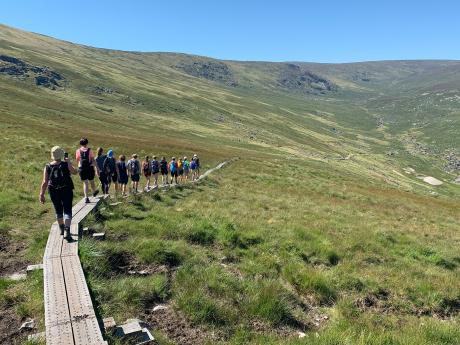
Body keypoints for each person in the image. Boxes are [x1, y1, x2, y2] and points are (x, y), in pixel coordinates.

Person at [39, 146, 77, 241]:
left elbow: (45, 182)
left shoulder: (47, 166)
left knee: (58, 209)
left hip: (53, 190)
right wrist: (68, 162)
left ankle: (61, 228)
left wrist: (41, 194)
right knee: (67, 209)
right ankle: (67, 230)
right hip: (66, 189)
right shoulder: (65, 164)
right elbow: (75, 172)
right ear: (61, 154)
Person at [75, 138, 99, 203]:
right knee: (91, 181)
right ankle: (94, 192)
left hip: (81, 168)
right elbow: (93, 160)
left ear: (80, 143)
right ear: (87, 143)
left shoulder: (78, 151)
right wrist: (97, 168)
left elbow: (77, 160)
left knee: (85, 183)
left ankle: (86, 197)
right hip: (89, 168)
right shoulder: (90, 150)